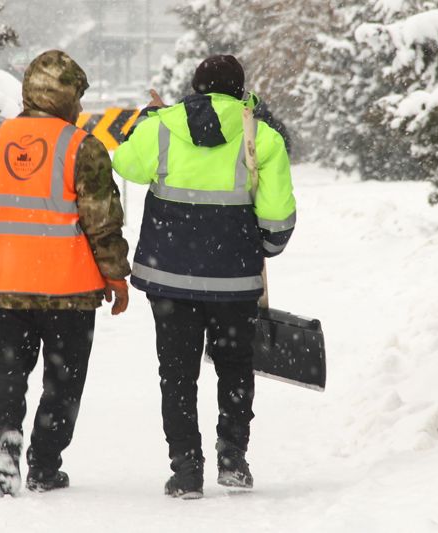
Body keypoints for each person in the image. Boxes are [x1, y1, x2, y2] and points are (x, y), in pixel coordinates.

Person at [112, 55, 296, 499]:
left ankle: (186, 470)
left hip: (170, 277)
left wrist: (150, 120)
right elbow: (276, 214)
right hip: (235, 279)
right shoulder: (262, 136)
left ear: (195, 86)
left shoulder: (163, 125)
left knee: (176, 374)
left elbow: (126, 165)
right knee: (235, 368)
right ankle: (232, 458)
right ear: (240, 89)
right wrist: (263, 247)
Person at [0, 50, 131, 497]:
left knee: (2, 369)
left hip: (3, 287)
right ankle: (45, 465)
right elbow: (102, 220)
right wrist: (115, 276)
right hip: (69, 291)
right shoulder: (81, 147)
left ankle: (5, 436)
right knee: (64, 380)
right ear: (69, 98)